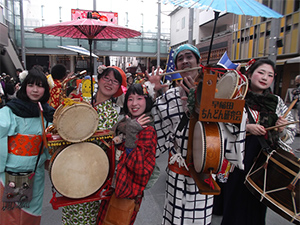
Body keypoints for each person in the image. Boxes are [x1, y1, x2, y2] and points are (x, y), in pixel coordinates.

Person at [148, 44, 245, 225]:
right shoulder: (169, 97)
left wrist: (203, 101)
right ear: (176, 67)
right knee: (173, 219)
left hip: (204, 173)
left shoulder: (216, 93)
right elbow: (152, 123)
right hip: (177, 175)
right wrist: (154, 90)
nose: (185, 61)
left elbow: (234, 123)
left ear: (199, 62)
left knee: (198, 220)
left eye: (189, 57)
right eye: (180, 59)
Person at [221, 59, 296, 225]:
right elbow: (221, 124)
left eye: (270, 75)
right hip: (237, 159)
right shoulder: (236, 95)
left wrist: (281, 129)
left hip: (263, 162)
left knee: (257, 206)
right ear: (249, 73)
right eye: (261, 72)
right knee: (235, 202)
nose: (265, 77)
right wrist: (246, 127)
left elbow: (291, 132)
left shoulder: (276, 102)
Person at [62, 65, 127, 225]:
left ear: (118, 88)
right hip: (70, 162)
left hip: (93, 168)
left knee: (89, 213)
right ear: (99, 78)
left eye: (115, 81)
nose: (109, 83)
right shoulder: (80, 101)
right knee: (69, 209)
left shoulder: (114, 112)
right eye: (106, 78)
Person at [0, 67, 55, 225]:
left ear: (45, 89)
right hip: (15, 172)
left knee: (32, 212)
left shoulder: (47, 113)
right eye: (31, 85)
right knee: (14, 214)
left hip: (35, 173)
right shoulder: (10, 111)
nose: (35, 90)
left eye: (40, 85)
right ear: (24, 87)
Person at [97, 83, 157, 225]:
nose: (134, 103)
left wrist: (131, 134)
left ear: (147, 100)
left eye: (139, 98)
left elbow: (138, 168)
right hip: (114, 185)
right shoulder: (126, 122)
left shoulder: (148, 130)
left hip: (127, 191)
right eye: (130, 99)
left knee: (114, 221)